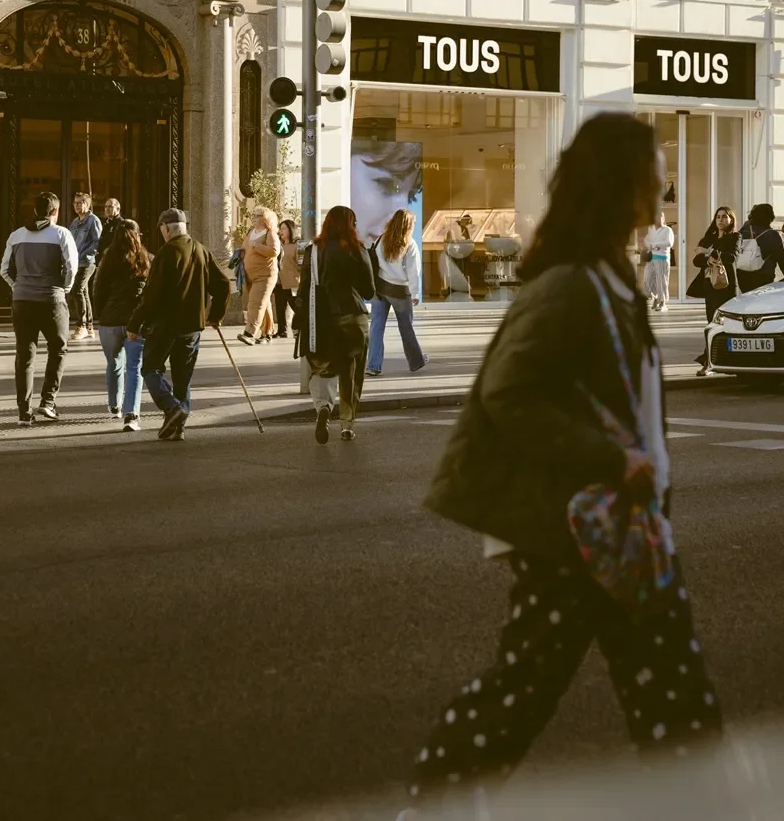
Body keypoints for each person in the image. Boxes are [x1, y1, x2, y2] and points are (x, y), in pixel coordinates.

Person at [404, 114, 721, 814]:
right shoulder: (573, 283)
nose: (665, 178)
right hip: (575, 528)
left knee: (667, 695)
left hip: (618, 522)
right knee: (531, 689)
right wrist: (613, 458)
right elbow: (507, 391)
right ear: (623, 183)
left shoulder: (608, 274)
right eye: (655, 166)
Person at [126, 208, 230, 441]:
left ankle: (172, 407)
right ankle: (177, 427)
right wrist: (215, 315)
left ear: (166, 228)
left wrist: (134, 323)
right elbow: (223, 284)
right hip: (192, 326)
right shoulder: (201, 250)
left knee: (150, 368)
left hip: (165, 324)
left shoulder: (166, 253)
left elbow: (151, 295)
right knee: (183, 377)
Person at [296, 205, 375, 444]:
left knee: (323, 367)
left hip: (322, 319)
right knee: (351, 372)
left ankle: (323, 407)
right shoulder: (356, 249)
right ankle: (347, 425)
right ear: (351, 225)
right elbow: (369, 291)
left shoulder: (313, 251)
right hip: (352, 316)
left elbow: (304, 288)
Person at [0, 191, 79, 426]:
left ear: (35, 210)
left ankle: (24, 412)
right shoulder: (62, 234)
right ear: (55, 211)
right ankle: (48, 401)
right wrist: (64, 288)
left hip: (22, 301)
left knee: (24, 355)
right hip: (52, 300)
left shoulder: (16, 235)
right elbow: (72, 268)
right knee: (58, 349)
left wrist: (18, 287)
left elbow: (4, 270)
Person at [94, 219, 150, 431]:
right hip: (134, 323)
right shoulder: (146, 260)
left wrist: (101, 315)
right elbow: (150, 294)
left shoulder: (108, 259)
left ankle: (114, 405)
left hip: (109, 322)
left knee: (113, 363)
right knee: (134, 368)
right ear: (138, 235)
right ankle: (131, 414)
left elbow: (99, 289)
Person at [366, 208, 428, 377]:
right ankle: (415, 362)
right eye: (413, 223)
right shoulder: (410, 245)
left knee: (376, 327)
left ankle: (373, 365)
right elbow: (413, 272)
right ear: (408, 225)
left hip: (380, 288)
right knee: (406, 327)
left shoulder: (381, 239)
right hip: (400, 291)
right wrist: (415, 293)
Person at [687, 207, 739, 377]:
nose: (720, 220)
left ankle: (732, 361)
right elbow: (696, 260)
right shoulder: (708, 238)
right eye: (718, 217)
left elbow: (732, 257)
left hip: (726, 287)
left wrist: (710, 254)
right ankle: (708, 363)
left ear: (731, 220)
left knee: (729, 325)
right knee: (711, 324)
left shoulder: (735, 237)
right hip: (710, 286)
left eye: (724, 217)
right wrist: (707, 259)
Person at [237, 207, 281, 346]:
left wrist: (257, 246)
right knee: (263, 303)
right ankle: (267, 333)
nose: (253, 218)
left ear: (265, 218)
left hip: (265, 275)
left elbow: (275, 251)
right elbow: (245, 249)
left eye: (256, 215)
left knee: (255, 303)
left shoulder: (270, 233)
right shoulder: (251, 232)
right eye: (253, 215)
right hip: (250, 275)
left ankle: (249, 333)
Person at [736, 203, 784, 293]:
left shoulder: (744, 230)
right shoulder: (772, 235)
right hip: (763, 276)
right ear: (770, 217)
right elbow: (782, 259)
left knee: (747, 298)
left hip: (743, 274)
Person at [68, 192, 102, 340]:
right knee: (83, 292)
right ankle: (89, 327)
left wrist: (84, 254)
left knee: (77, 290)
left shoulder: (93, 220)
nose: (76, 205)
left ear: (87, 204)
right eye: (75, 202)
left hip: (87, 262)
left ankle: (81, 325)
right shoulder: (75, 222)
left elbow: (97, 242)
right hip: (75, 262)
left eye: (80, 202)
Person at [273, 219, 300, 339]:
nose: (281, 231)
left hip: (292, 281)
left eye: (284, 228)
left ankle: (299, 328)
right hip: (279, 281)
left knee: (296, 306)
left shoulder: (296, 245)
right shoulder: (278, 245)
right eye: (280, 229)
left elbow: (300, 265)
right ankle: (281, 331)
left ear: (291, 230)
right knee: (280, 307)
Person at [643, 211, 674, 312]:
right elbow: (646, 240)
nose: (658, 218)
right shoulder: (651, 229)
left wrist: (656, 244)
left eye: (660, 216)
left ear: (663, 218)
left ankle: (662, 303)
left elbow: (669, 243)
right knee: (647, 280)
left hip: (662, 258)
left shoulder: (667, 230)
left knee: (662, 281)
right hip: (651, 257)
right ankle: (656, 297)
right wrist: (649, 245)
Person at [96, 197, 122, 265]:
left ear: (118, 209)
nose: (107, 209)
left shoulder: (121, 224)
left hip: (114, 260)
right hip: (102, 259)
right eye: (106, 206)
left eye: (110, 206)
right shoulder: (105, 223)